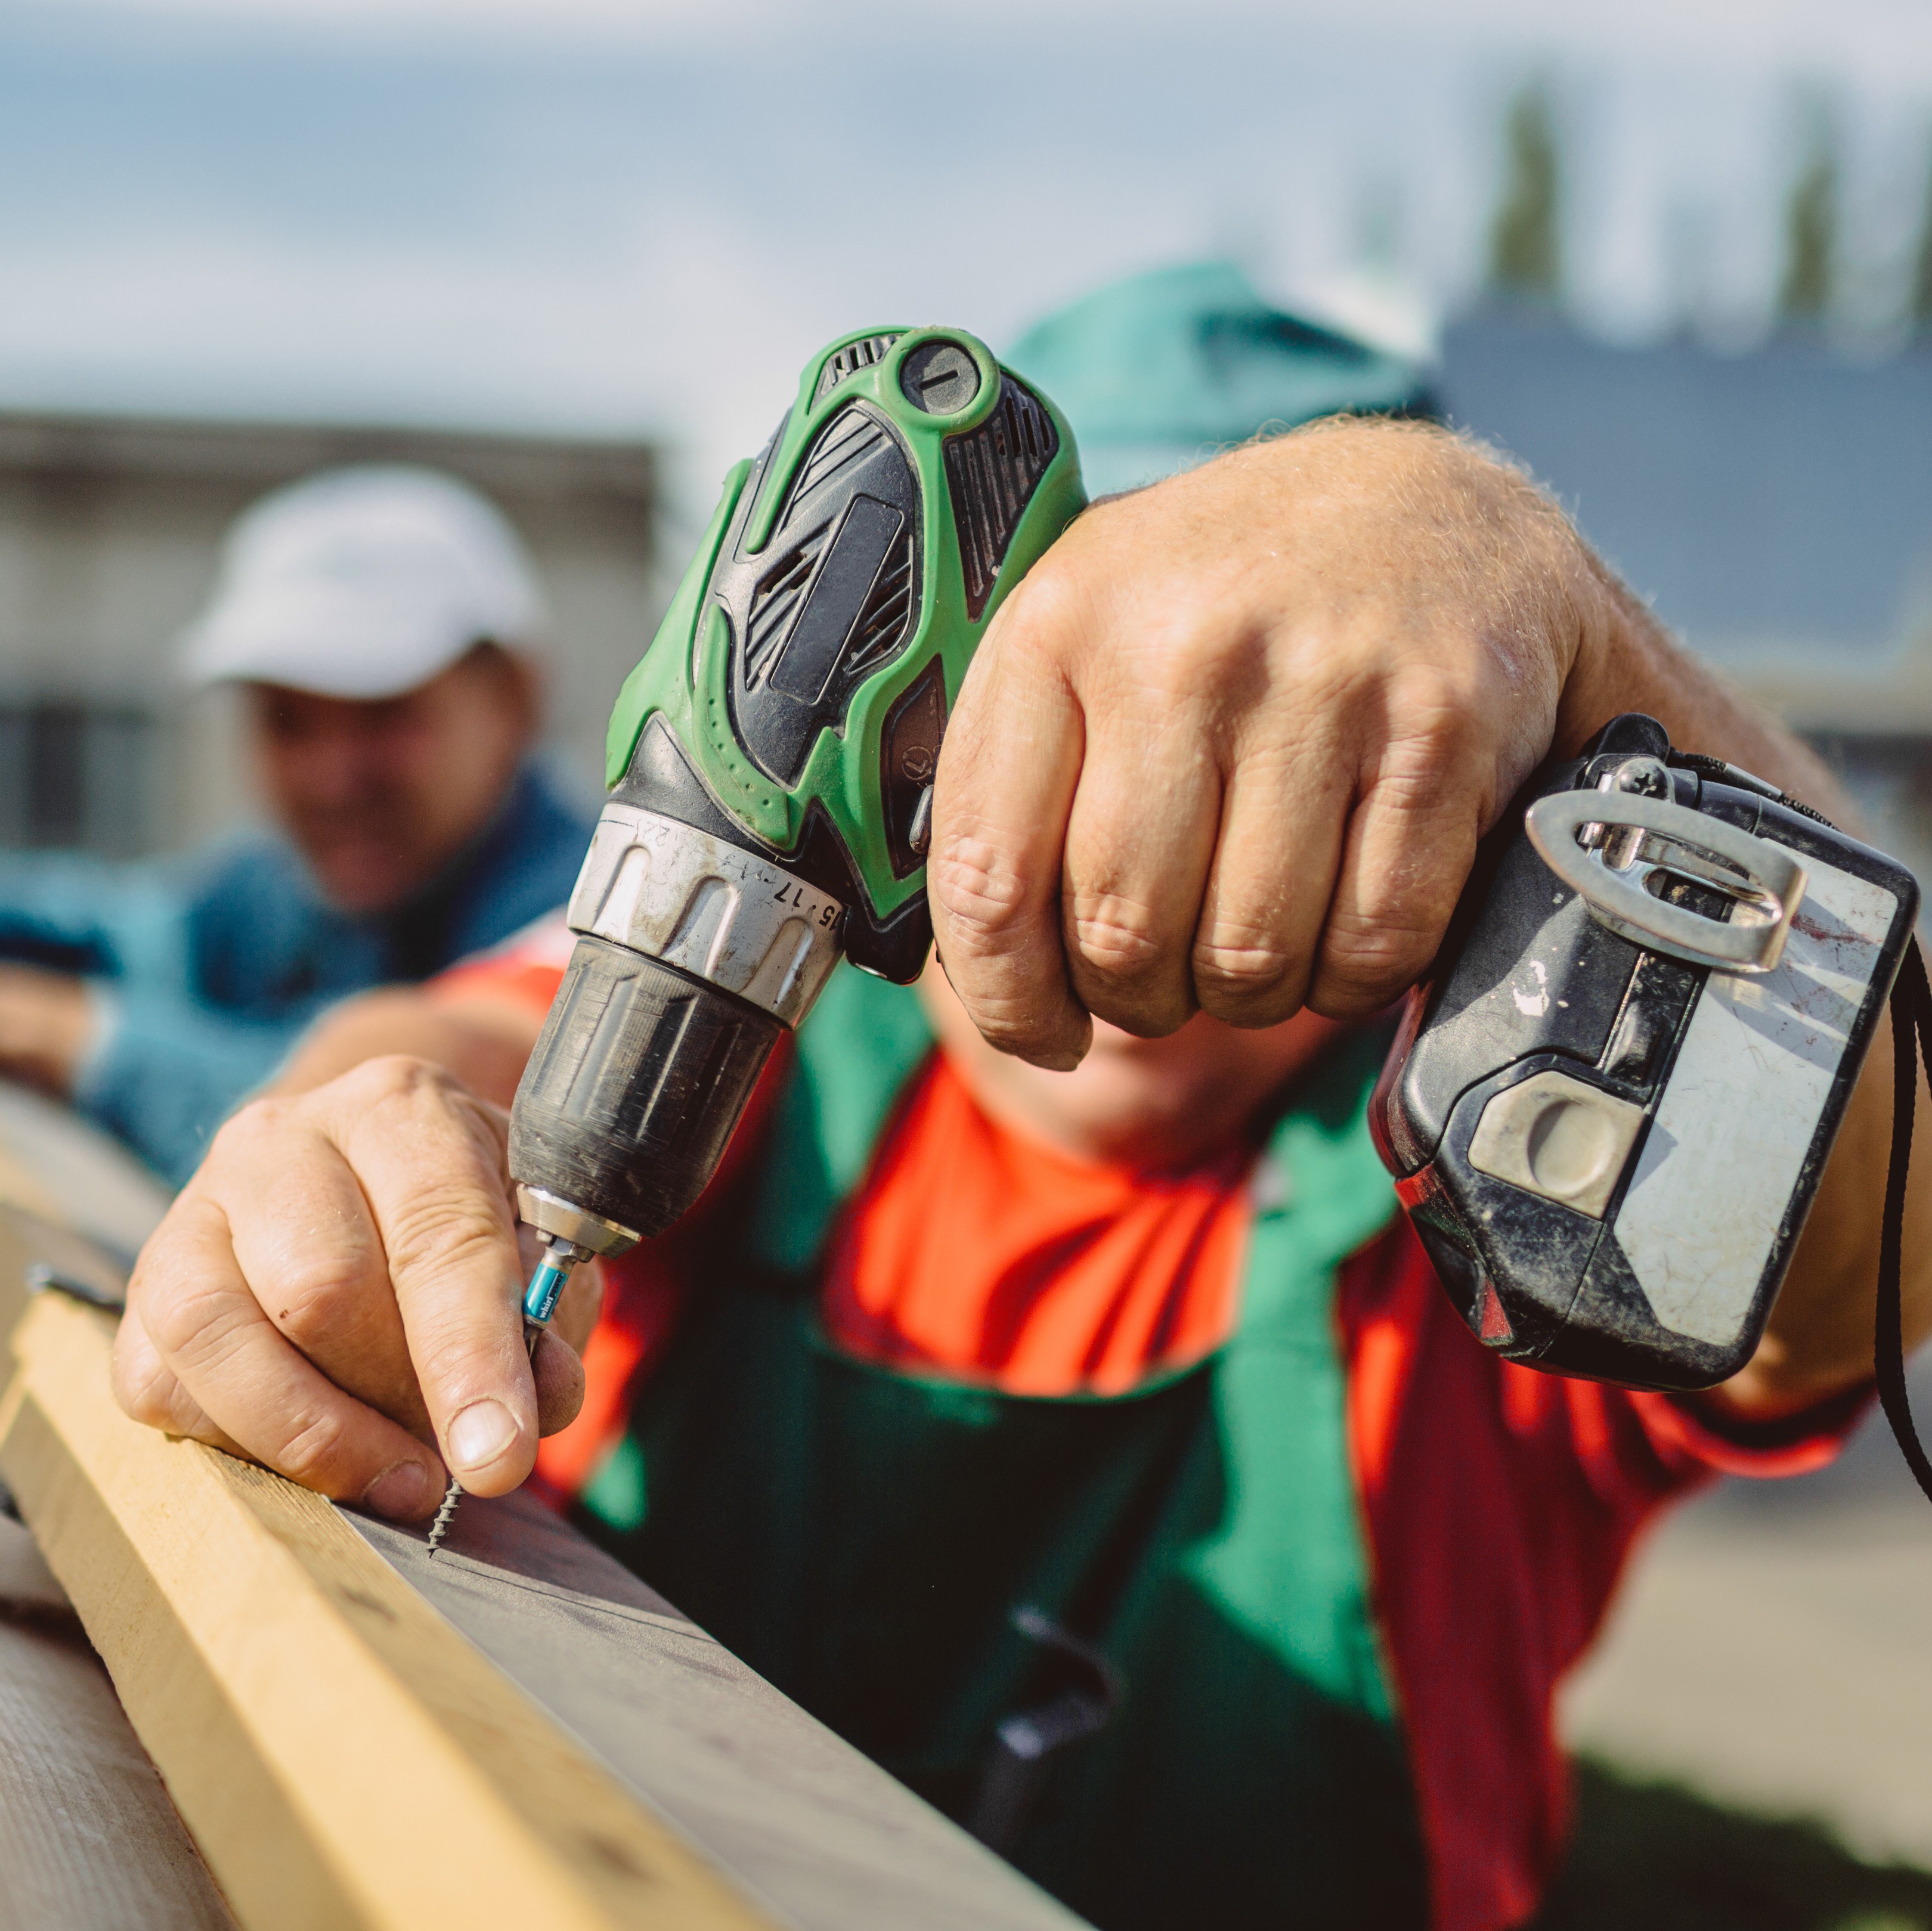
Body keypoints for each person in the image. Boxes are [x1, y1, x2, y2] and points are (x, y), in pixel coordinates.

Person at [110, 270, 1932, 1931]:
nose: (1140, 810)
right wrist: (344, 1158)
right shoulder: (770, 1022)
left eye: (1266, 721)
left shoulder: (1520, 1158)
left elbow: (1881, 1236)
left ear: (1451, 754)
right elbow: (435, 1047)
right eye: (1075, 692)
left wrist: (1553, 603)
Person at [0, 465, 593, 1183]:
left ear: (513, 700)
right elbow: (117, 928)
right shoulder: (282, 891)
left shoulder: (596, 923)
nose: (332, 778)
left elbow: (376, 1115)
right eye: (287, 720)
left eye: (385, 712)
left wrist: (63, 1033)